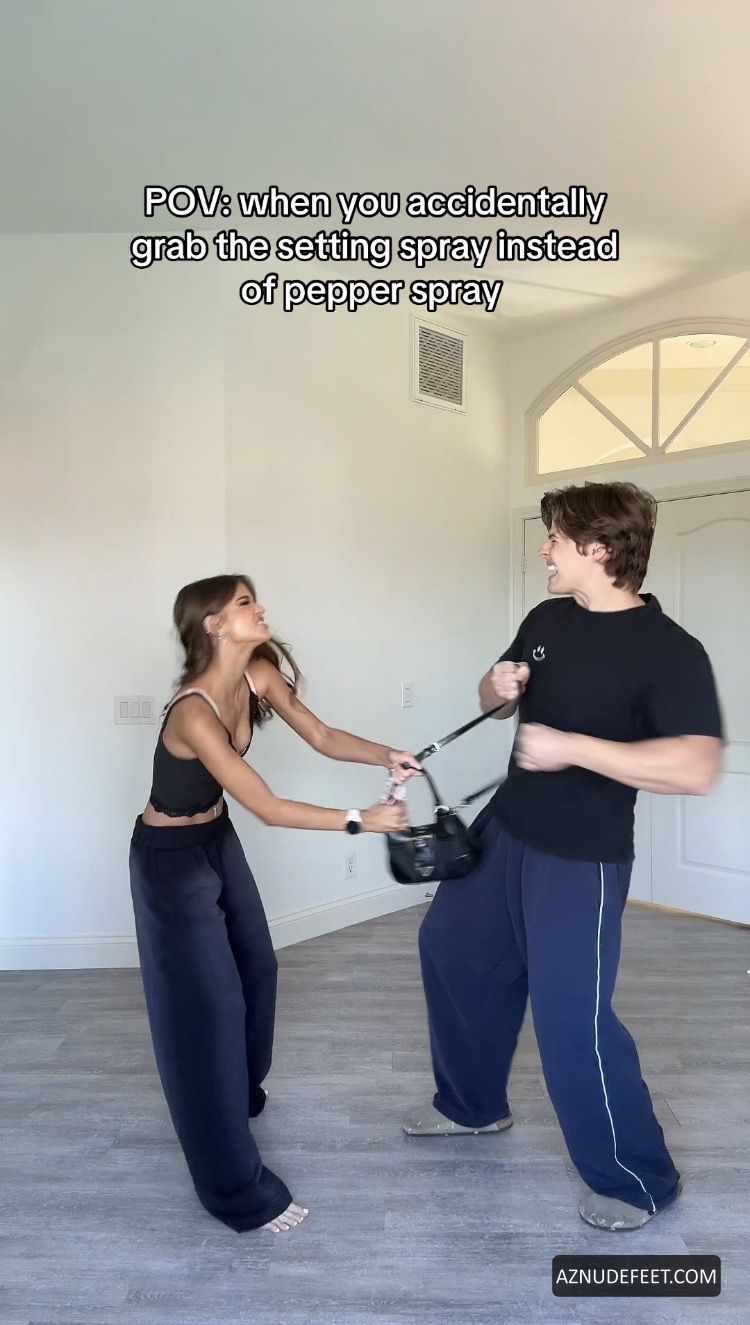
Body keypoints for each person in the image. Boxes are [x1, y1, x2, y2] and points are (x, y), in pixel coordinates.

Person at [404, 482, 723, 1231]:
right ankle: (472, 1105)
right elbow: (495, 700)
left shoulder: (669, 650)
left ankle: (638, 1181)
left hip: (583, 855)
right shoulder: (547, 618)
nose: (544, 548)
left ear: (599, 549)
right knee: (450, 948)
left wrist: (573, 747)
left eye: (555, 537)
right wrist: (497, 686)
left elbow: (696, 766)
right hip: (506, 828)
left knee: (571, 1018)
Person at [129, 573, 420, 1235]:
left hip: (215, 839)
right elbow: (266, 805)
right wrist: (362, 820)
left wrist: (388, 755)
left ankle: (237, 1093)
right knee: (205, 1013)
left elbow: (320, 734)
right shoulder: (193, 712)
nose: (259, 608)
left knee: (258, 970)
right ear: (212, 624)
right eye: (243, 602)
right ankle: (234, 1189)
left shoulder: (256, 673)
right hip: (168, 861)